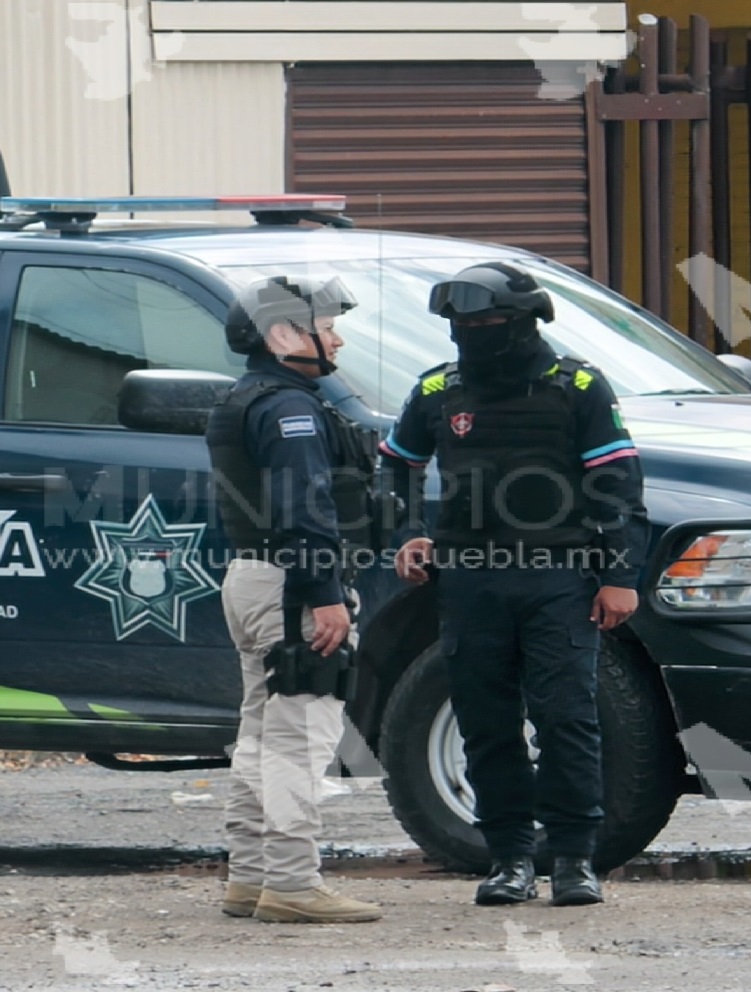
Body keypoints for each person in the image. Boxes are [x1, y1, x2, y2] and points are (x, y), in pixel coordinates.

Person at [377, 261, 650, 908]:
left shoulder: (576, 384)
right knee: (485, 720)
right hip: (470, 580)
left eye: (488, 323)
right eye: (461, 325)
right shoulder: (439, 389)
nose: (473, 334)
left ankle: (575, 858)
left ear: (525, 322)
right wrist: (407, 533)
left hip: (559, 576)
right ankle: (508, 858)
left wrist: (619, 577)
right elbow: (393, 467)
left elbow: (618, 485)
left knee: (566, 718)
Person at [205, 274, 384, 924]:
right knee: (298, 740)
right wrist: (325, 594)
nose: (335, 336)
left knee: (259, 735)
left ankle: (249, 878)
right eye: (324, 324)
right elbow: (301, 508)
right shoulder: (291, 409)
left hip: (254, 579)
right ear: (283, 335)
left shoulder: (245, 399)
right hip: (292, 587)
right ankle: (291, 883)